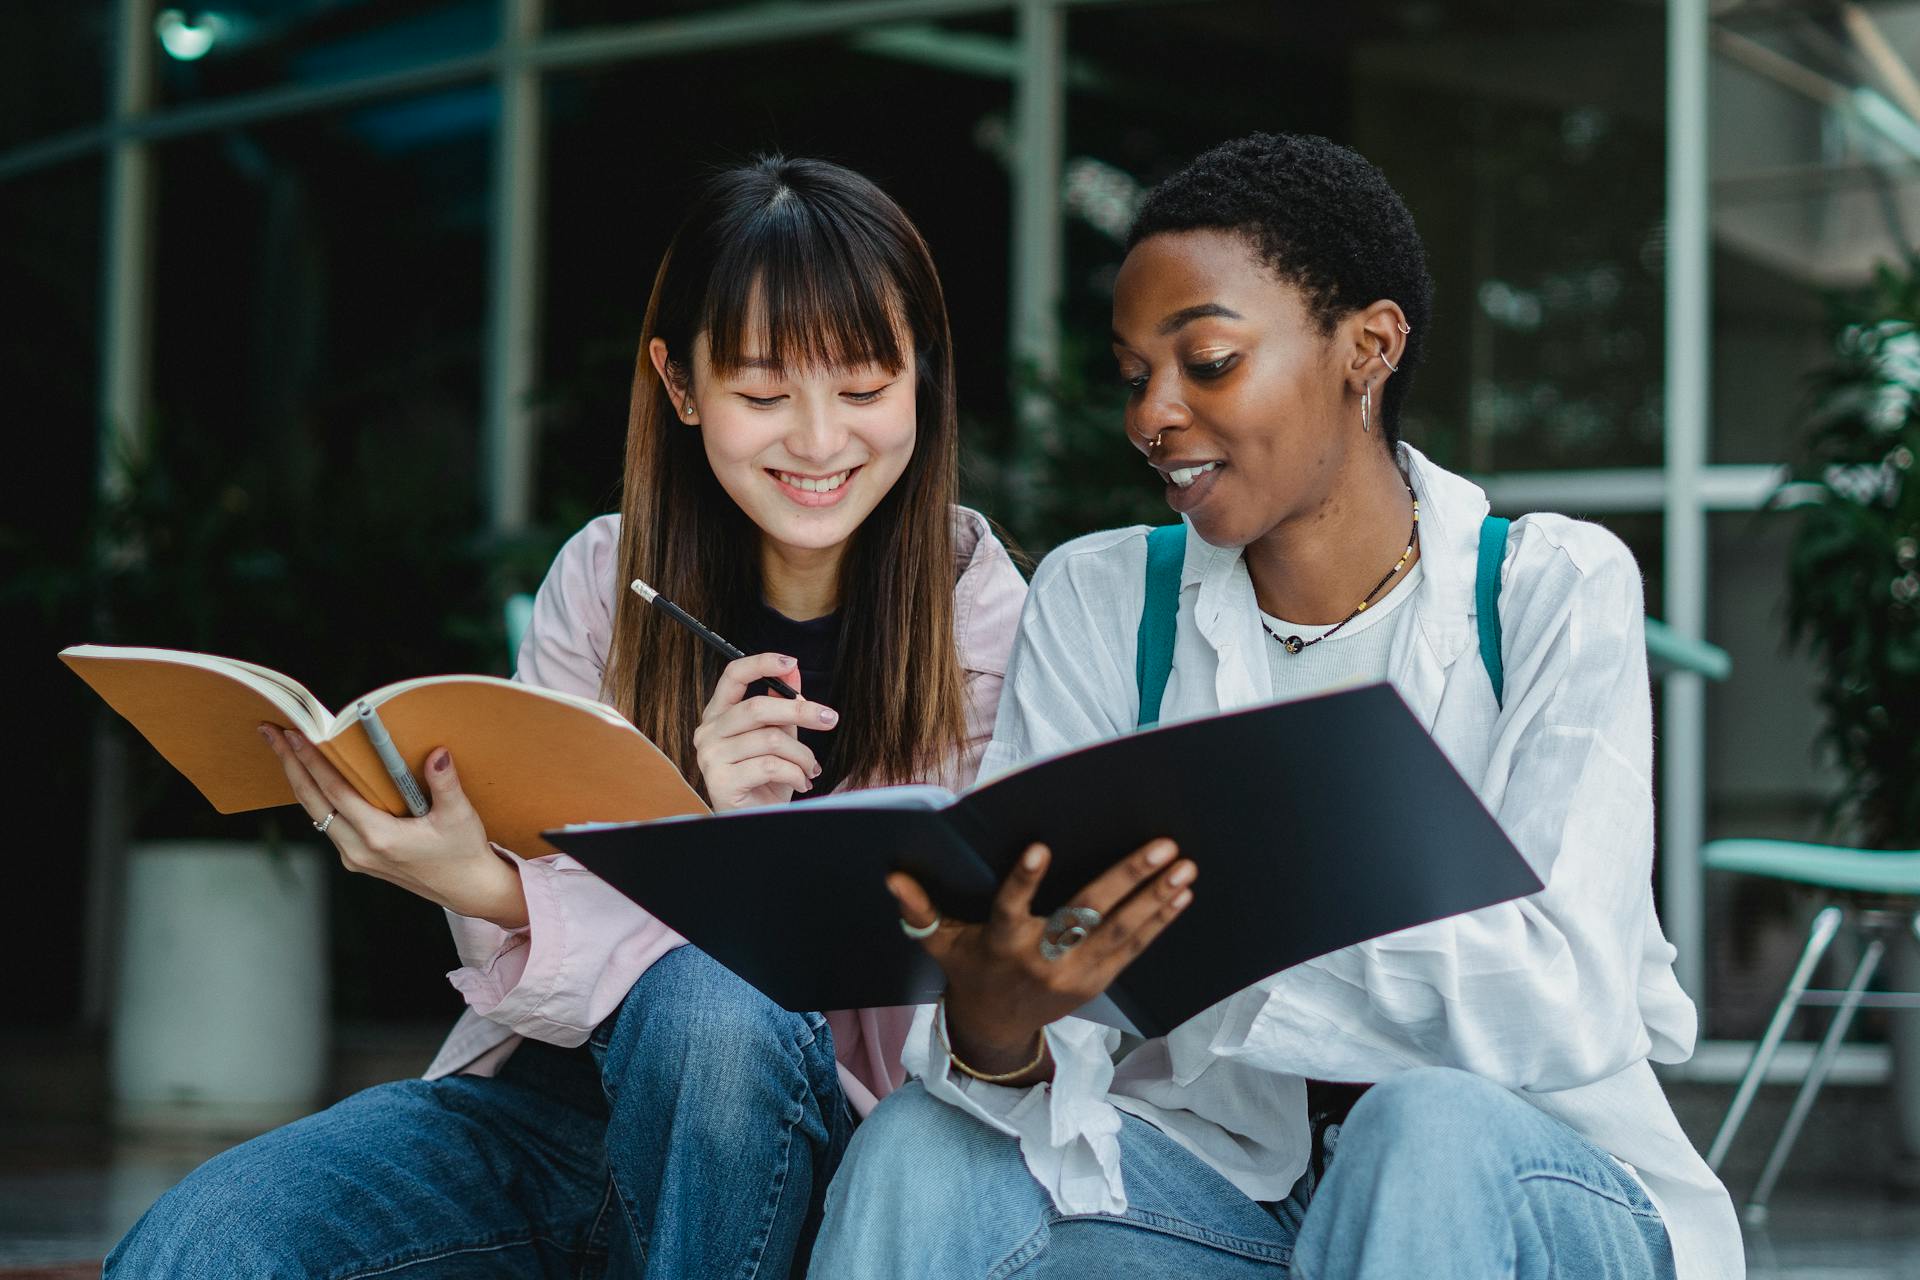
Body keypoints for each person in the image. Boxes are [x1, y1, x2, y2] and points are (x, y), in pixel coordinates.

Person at [810, 133, 1743, 1279]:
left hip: (1531, 1194)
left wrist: (1196, 948)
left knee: (1420, 1125)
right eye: (1132, 372)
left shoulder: (1549, 587)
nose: (1152, 413)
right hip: (1222, 1198)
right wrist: (998, 1026)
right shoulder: (1101, 600)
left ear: (1370, 348)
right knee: (921, 1148)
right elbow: (1046, 1010)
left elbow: (1562, 997)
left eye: (1206, 361)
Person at [107, 154, 1028, 1279]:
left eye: (864, 386)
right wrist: (504, 877)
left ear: (924, 378)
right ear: (680, 387)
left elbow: (958, 997)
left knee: (712, 1006)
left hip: (807, 1141)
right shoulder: (602, 583)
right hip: (553, 1107)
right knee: (202, 1242)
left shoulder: (991, 630)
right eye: (762, 391)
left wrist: (683, 857)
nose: (821, 438)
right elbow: (527, 960)